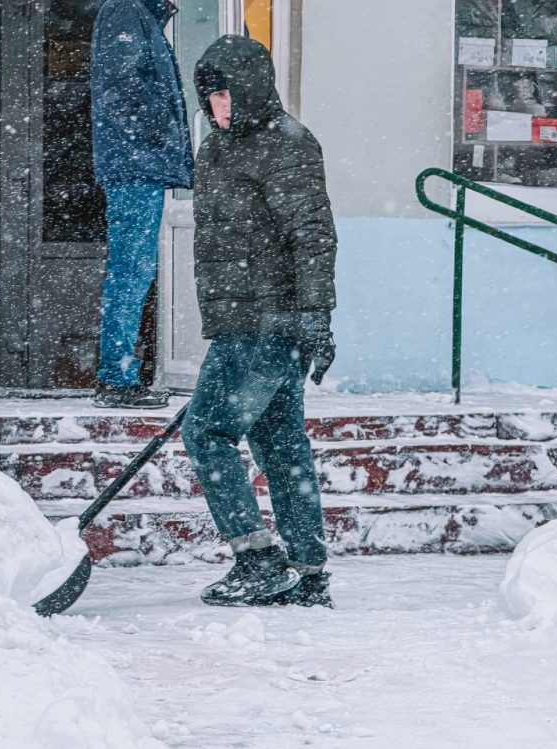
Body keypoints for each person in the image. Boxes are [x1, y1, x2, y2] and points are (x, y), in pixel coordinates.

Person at [181, 35, 338, 607]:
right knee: (281, 445)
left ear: (249, 88)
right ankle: (308, 570)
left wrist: (316, 313)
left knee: (206, 432)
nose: (218, 106)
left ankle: (258, 558)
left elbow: (312, 236)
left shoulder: (287, 145)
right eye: (209, 96)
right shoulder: (216, 148)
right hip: (240, 319)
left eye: (224, 93)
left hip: (267, 320)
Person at [90, 0, 194, 409]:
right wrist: (161, 131)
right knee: (131, 273)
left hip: (138, 161)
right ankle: (116, 378)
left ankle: (117, 374)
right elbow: (124, 83)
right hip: (136, 163)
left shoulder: (138, 15)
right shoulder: (125, 11)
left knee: (132, 272)